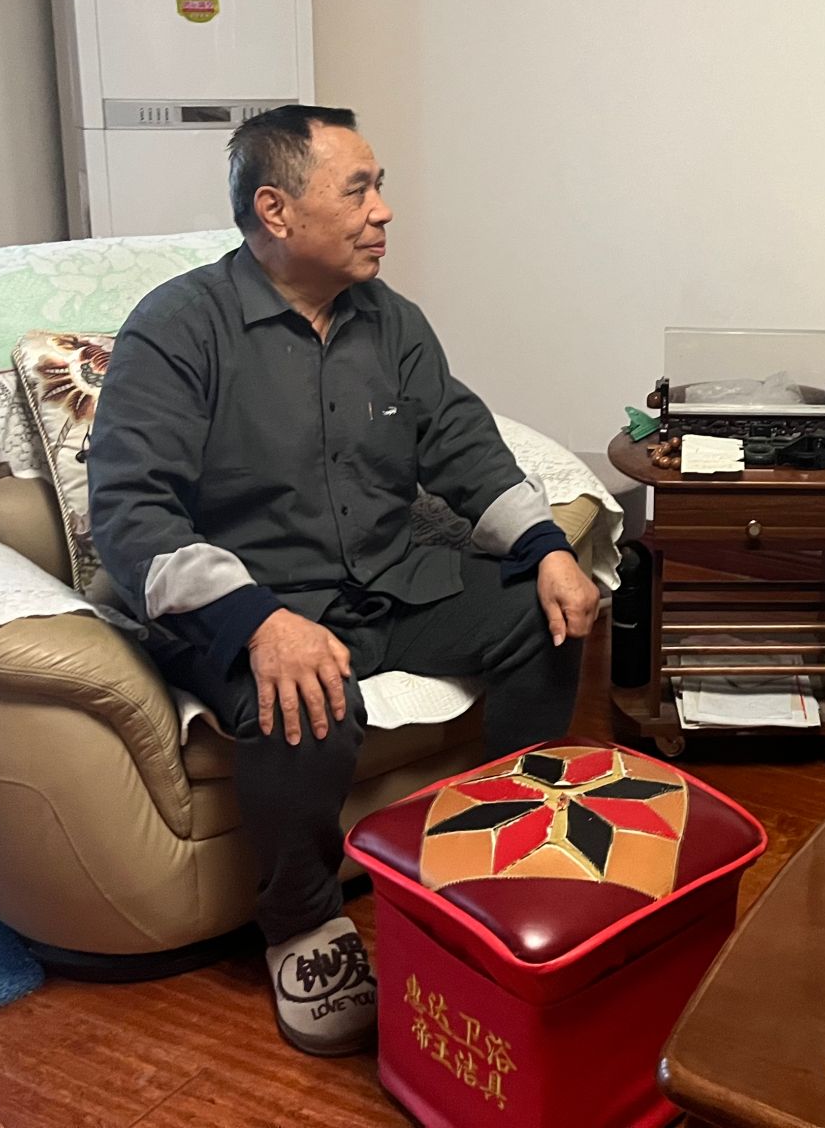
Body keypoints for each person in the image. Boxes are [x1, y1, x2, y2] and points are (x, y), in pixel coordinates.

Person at [87, 105, 602, 1056]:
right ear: (276, 210)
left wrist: (546, 548)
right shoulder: (178, 328)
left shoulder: (390, 319)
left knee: (542, 614)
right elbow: (130, 513)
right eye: (358, 190)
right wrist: (258, 622)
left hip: (385, 581)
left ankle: (513, 844)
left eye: (379, 187)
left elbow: (464, 445)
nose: (383, 212)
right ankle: (302, 924)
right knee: (306, 694)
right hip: (249, 605)